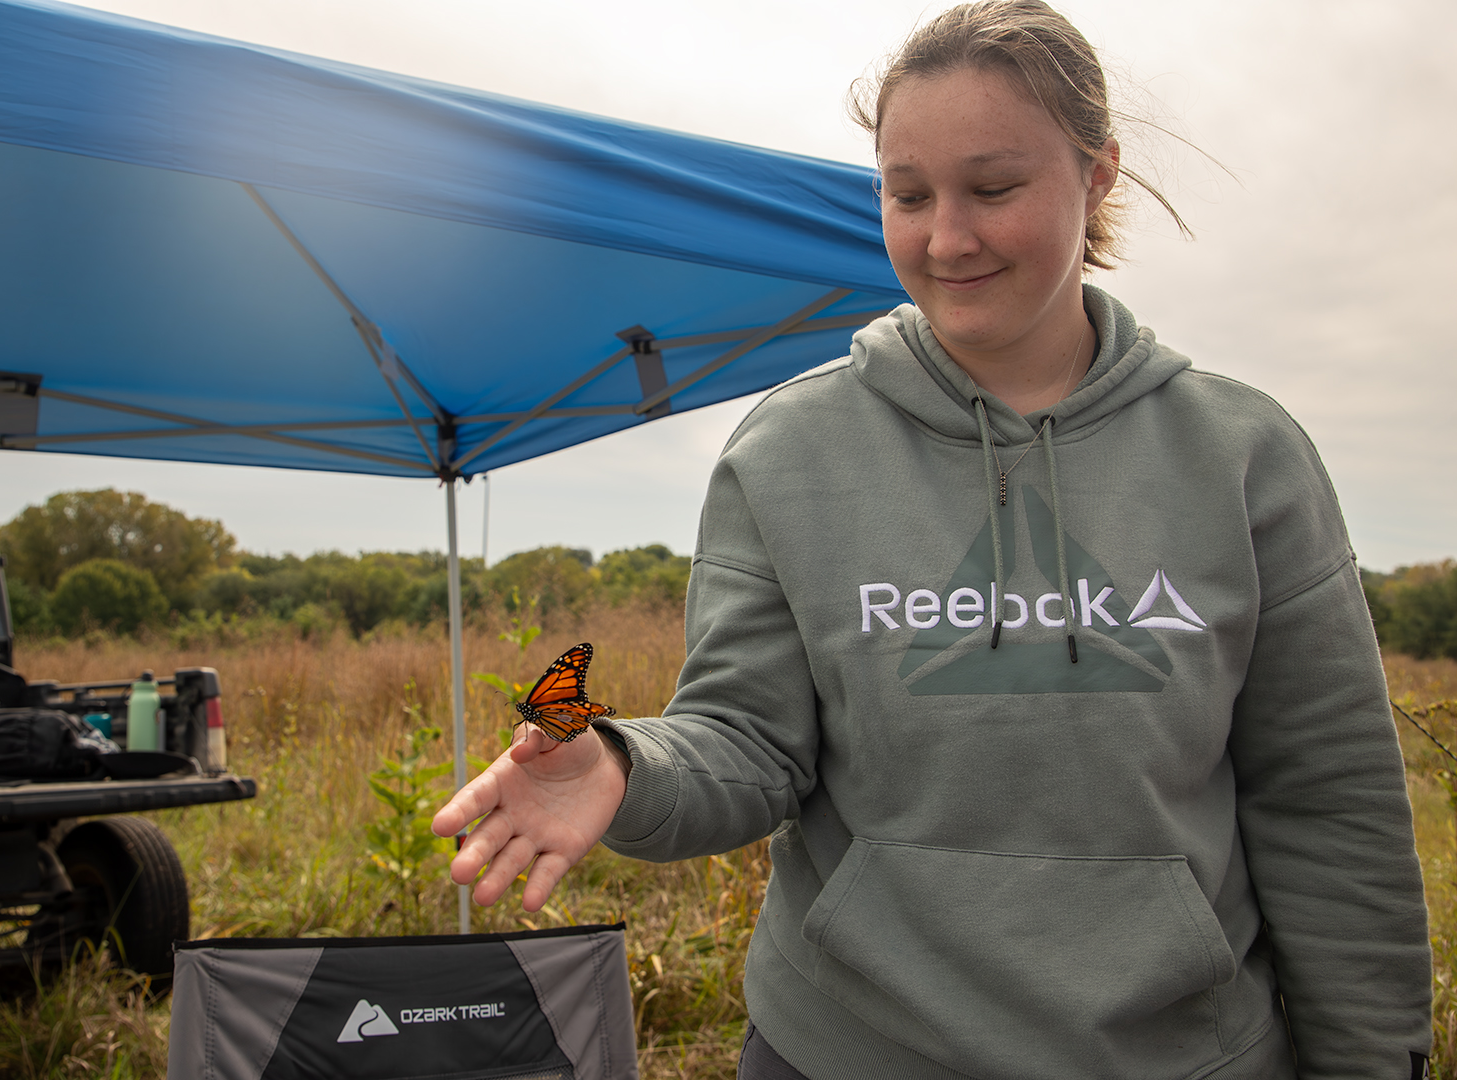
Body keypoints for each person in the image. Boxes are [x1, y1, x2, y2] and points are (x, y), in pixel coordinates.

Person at [432, 2, 1433, 1076]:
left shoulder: (1243, 455)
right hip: (848, 1047)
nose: (945, 238)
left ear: (1098, 176)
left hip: (1180, 1053)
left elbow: (1328, 803)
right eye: (907, 195)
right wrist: (627, 766)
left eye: (993, 189)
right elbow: (749, 740)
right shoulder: (790, 450)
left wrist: (1376, 1057)